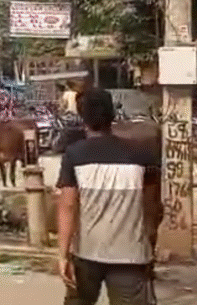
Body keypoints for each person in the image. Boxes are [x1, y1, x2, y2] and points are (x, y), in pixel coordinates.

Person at [56, 87, 160, 305]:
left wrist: (63, 254)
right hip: (131, 256)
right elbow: (151, 208)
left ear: (82, 118)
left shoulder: (74, 154)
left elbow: (68, 206)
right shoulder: (142, 154)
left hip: (87, 255)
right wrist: (149, 247)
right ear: (112, 116)